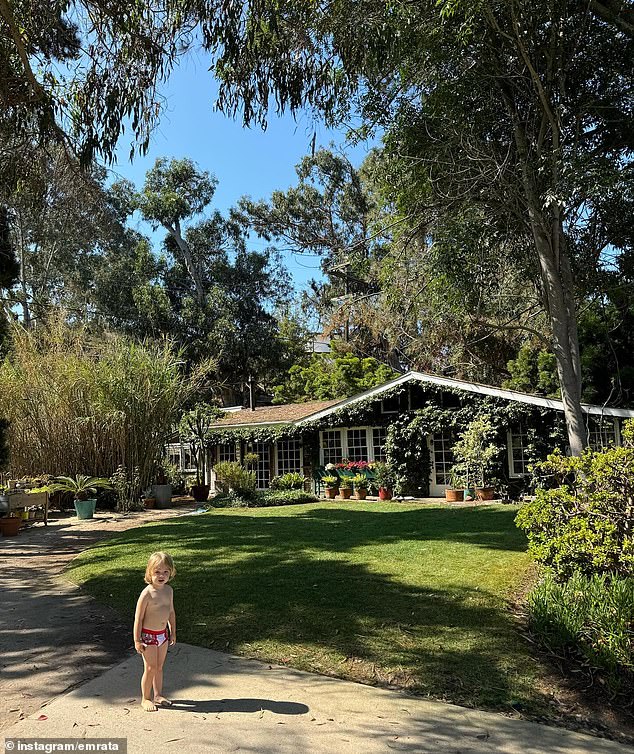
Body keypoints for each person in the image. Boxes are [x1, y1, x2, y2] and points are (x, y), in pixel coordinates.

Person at [133, 551, 177, 711]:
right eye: (157, 572)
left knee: (159, 667)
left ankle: (158, 695)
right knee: (150, 668)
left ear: (171, 573)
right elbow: (138, 619)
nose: (161, 575)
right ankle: (145, 698)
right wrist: (137, 640)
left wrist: (173, 631)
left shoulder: (169, 591)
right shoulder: (147, 594)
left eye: (166, 572)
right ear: (149, 572)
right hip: (148, 636)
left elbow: (171, 612)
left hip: (162, 635)